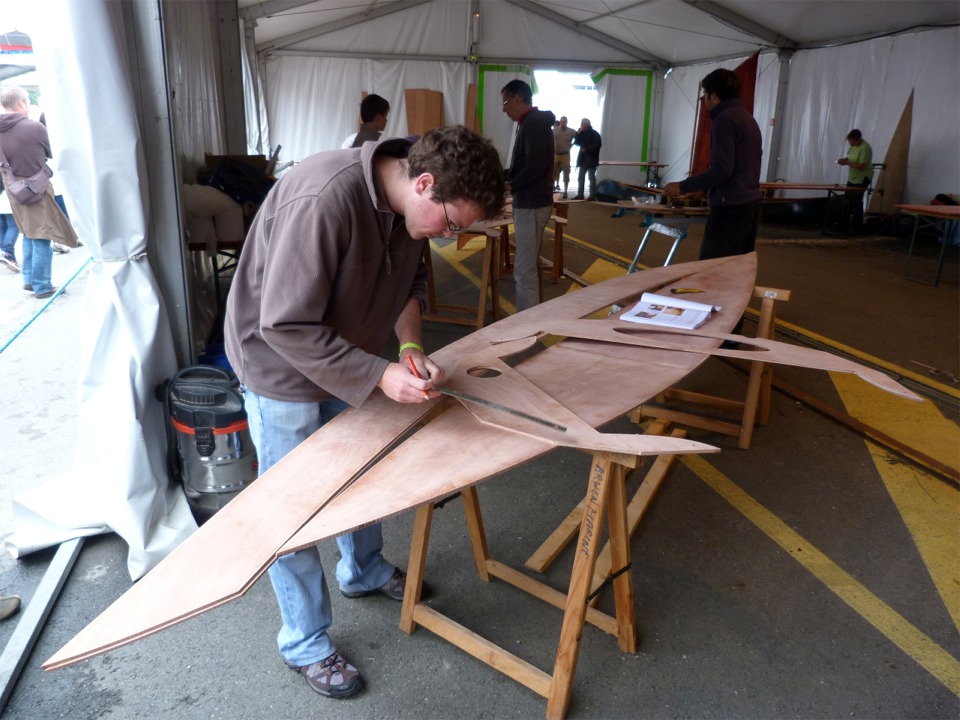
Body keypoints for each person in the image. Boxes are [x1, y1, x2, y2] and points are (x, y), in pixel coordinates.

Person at [223, 126, 504, 700]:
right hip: (281, 364)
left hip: (346, 350)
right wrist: (377, 373)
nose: (451, 236)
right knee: (296, 504)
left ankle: (363, 570)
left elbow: (410, 283)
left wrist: (406, 348)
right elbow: (284, 325)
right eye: (452, 224)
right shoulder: (323, 198)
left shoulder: (412, 207)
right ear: (423, 183)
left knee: (360, 469)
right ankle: (304, 642)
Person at [663, 68, 762, 261]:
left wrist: (683, 186)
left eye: (705, 95)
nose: (705, 101)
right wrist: (706, 190)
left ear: (714, 96)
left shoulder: (724, 120)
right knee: (737, 270)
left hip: (731, 209)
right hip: (750, 206)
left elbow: (722, 169)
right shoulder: (747, 118)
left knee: (712, 270)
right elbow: (742, 166)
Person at [0, 86, 77, 298]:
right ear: (21, 104)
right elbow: (54, 152)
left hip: (13, 188)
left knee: (28, 232)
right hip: (35, 187)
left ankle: (30, 280)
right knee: (43, 235)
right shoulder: (33, 128)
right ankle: (43, 285)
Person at [501, 79, 554, 311]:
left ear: (517, 98)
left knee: (523, 269)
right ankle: (536, 315)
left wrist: (512, 185)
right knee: (530, 262)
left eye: (505, 102)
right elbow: (527, 163)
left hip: (531, 203)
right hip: (531, 201)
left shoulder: (533, 123)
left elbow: (536, 165)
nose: (504, 108)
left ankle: (527, 326)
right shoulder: (530, 122)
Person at [836, 128, 873, 232]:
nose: (851, 144)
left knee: (856, 201)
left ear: (858, 139)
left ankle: (856, 227)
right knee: (847, 200)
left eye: (852, 141)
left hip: (862, 178)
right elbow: (850, 158)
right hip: (852, 177)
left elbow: (861, 166)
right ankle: (842, 225)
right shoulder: (853, 146)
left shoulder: (865, 148)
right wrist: (844, 160)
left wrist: (847, 163)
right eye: (849, 142)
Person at [573, 118, 602, 201]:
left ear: (588, 125)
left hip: (591, 159)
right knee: (581, 177)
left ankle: (592, 195)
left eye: (584, 124)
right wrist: (577, 134)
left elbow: (597, 145)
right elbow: (577, 143)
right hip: (583, 159)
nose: (583, 126)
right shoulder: (581, 133)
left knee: (591, 177)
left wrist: (587, 149)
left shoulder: (594, 134)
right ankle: (580, 194)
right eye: (582, 124)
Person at [552, 116, 577, 198]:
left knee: (566, 172)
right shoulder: (554, 131)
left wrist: (573, 144)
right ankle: (551, 189)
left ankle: (565, 190)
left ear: (567, 122)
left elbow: (579, 137)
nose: (563, 123)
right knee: (553, 172)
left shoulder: (571, 131)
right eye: (561, 122)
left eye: (564, 122)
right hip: (556, 154)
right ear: (560, 122)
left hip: (565, 154)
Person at [0, 185, 20, 272]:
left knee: (2, 226)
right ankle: (7, 253)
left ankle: (7, 255)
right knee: (13, 225)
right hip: (6, 196)